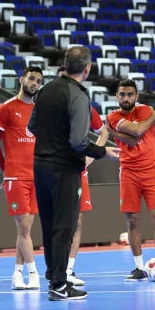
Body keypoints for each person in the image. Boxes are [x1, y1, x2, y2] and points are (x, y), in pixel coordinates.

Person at [28, 46, 119, 301]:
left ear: (66, 64)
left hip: (40, 166)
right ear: (87, 68)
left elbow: (32, 126)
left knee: (48, 226)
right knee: (64, 226)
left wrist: (52, 142)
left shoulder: (45, 91)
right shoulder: (78, 95)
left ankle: (53, 278)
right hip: (64, 169)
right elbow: (79, 142)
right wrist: (103, 152)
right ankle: (59, 284)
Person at [106, 79, 155, 281]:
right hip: (128, 172)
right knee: (132, 222)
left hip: (151, 170)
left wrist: (113, 131)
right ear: (117, 96)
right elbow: (135, 135)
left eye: (130, 94)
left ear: (136, 96)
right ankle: (139, 268)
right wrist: (152, 117)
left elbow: (138, 131)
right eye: (122, 94)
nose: (126, 98)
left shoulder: (144, 110)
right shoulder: (113, 115)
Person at [0, 66, 44, 290]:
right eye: (31, 78)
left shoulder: (40, 111)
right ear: (21, 79)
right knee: (23, 226)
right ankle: (34, 274)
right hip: (16, 176)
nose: (34, 83)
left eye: (38, 81)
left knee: (26, 230)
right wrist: (6, 170)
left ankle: (17, 274)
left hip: (36, 176)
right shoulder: (6, 108)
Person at [55, 65, 109, 286]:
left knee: (77, 221)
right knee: (57, 221)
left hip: (78, 171)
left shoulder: (84, 105)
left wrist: (91, 157)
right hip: (55, 171)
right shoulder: (50, 106)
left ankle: (68, 270)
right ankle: (54, 269)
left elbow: (103, 131)